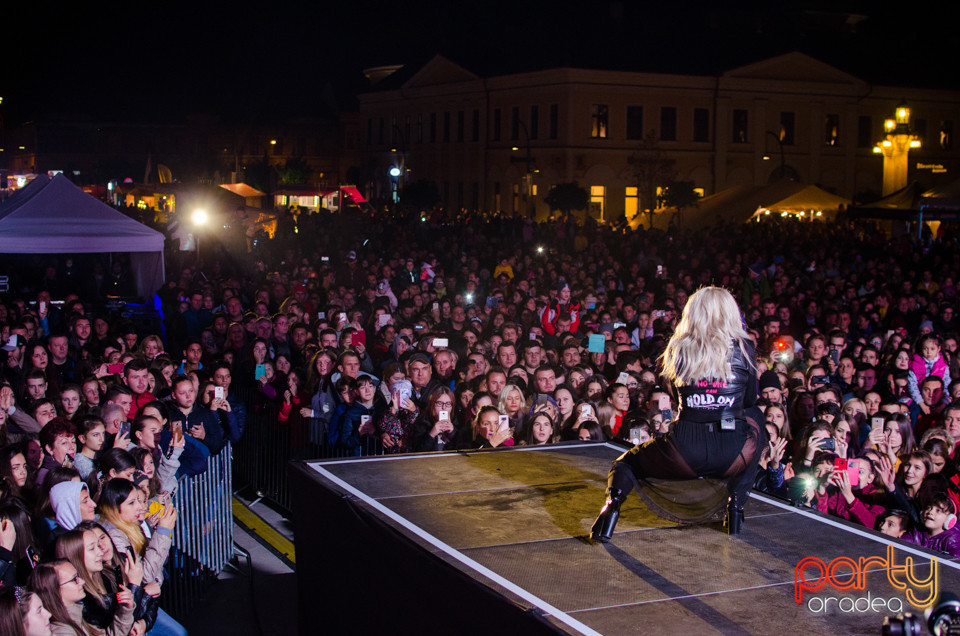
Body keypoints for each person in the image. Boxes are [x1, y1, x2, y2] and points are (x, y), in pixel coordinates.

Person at [590, 287, 764, 542]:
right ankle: (735, 505)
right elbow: (749, 400)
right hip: (732, 452)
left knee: (625, 463)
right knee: (756, 418)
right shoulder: (745, 346)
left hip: (684, 450)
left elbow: (676, 396)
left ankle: (611, 508)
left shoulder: (678, 347)